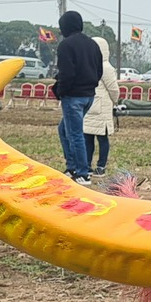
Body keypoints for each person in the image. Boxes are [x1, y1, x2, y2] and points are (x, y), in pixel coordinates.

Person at [51, 11, 101, 185]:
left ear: (65, 26)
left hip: (73, 96)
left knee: (75, 134)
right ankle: (71, 167)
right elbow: (99, 70)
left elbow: (67, 73)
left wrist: (61, 90)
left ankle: (83, 173)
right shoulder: (92, 45)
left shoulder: (66, 45)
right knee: (64, 129)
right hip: (89, 96)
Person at [81, 36, 118, 176]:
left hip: (88, 103)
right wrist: (116, 101)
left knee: (87, 138)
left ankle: (87, 165)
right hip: (102, 107)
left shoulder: (86, 64)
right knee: (102, 138)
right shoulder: (106, 67)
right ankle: (101, 166)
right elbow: (113, 89)